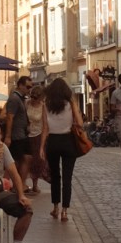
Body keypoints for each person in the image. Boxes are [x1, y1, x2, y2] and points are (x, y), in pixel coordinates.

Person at [40, 78, 87, 220]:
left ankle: (55, 208)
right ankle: (65, 211)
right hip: (68, 141)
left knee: (55, 177)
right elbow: (79, 122)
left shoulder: (45, 105)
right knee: (68, 178)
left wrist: (41, 147)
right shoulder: (70, 103)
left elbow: (45, 128)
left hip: (53, 142)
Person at [25, 84, 46, 193]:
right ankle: (23, 183)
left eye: (36, 98)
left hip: (38, 135)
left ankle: (35, 184)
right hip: (26, 135)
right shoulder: (26, 103)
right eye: (33, 97)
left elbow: (45, 125)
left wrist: (43, 144)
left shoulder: (43, 106)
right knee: (26, 160)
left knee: (37, 161)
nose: (34, 100)